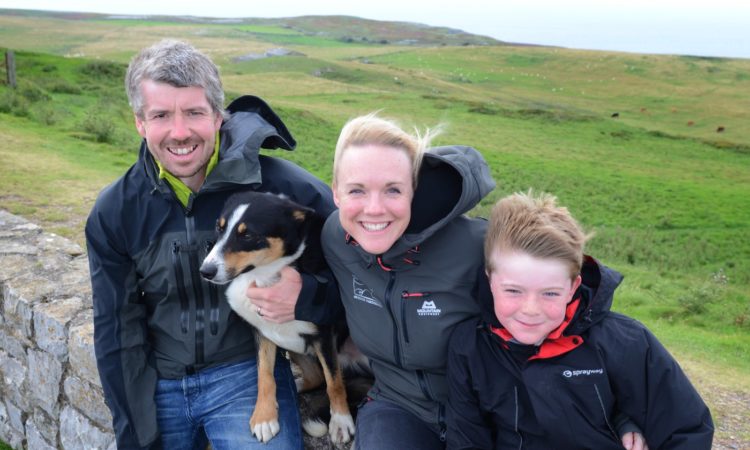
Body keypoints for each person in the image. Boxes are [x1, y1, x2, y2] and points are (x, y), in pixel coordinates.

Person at [85, 39, 339, 450]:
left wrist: (309, 295)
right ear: (140, 122)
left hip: (247, 378)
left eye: (194, 113)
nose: (180, 132)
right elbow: (116, 331)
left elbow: (359, 271)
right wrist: (135, 433)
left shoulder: (285, 190)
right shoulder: (115, 211)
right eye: (161, 115)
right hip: (158, 382)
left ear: (219, 117)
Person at [446, 191, 714, 449]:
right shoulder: (469, 346)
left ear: (573, 287)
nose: (530, 309)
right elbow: (467, 440)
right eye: (513, 290)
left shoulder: (626, 342)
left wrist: (626, 420)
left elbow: (686, 429)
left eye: (550, 293)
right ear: (490, 279)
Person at [321, 112, 496, 448]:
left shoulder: (477, 245)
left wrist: (626, 408)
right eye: (356, 190)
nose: (373, 209)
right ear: (336, 194)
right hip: (397, 406)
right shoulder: (335, 238)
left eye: (393, 190)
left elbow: (572, 297)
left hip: (485, 411)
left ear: (414, 192)